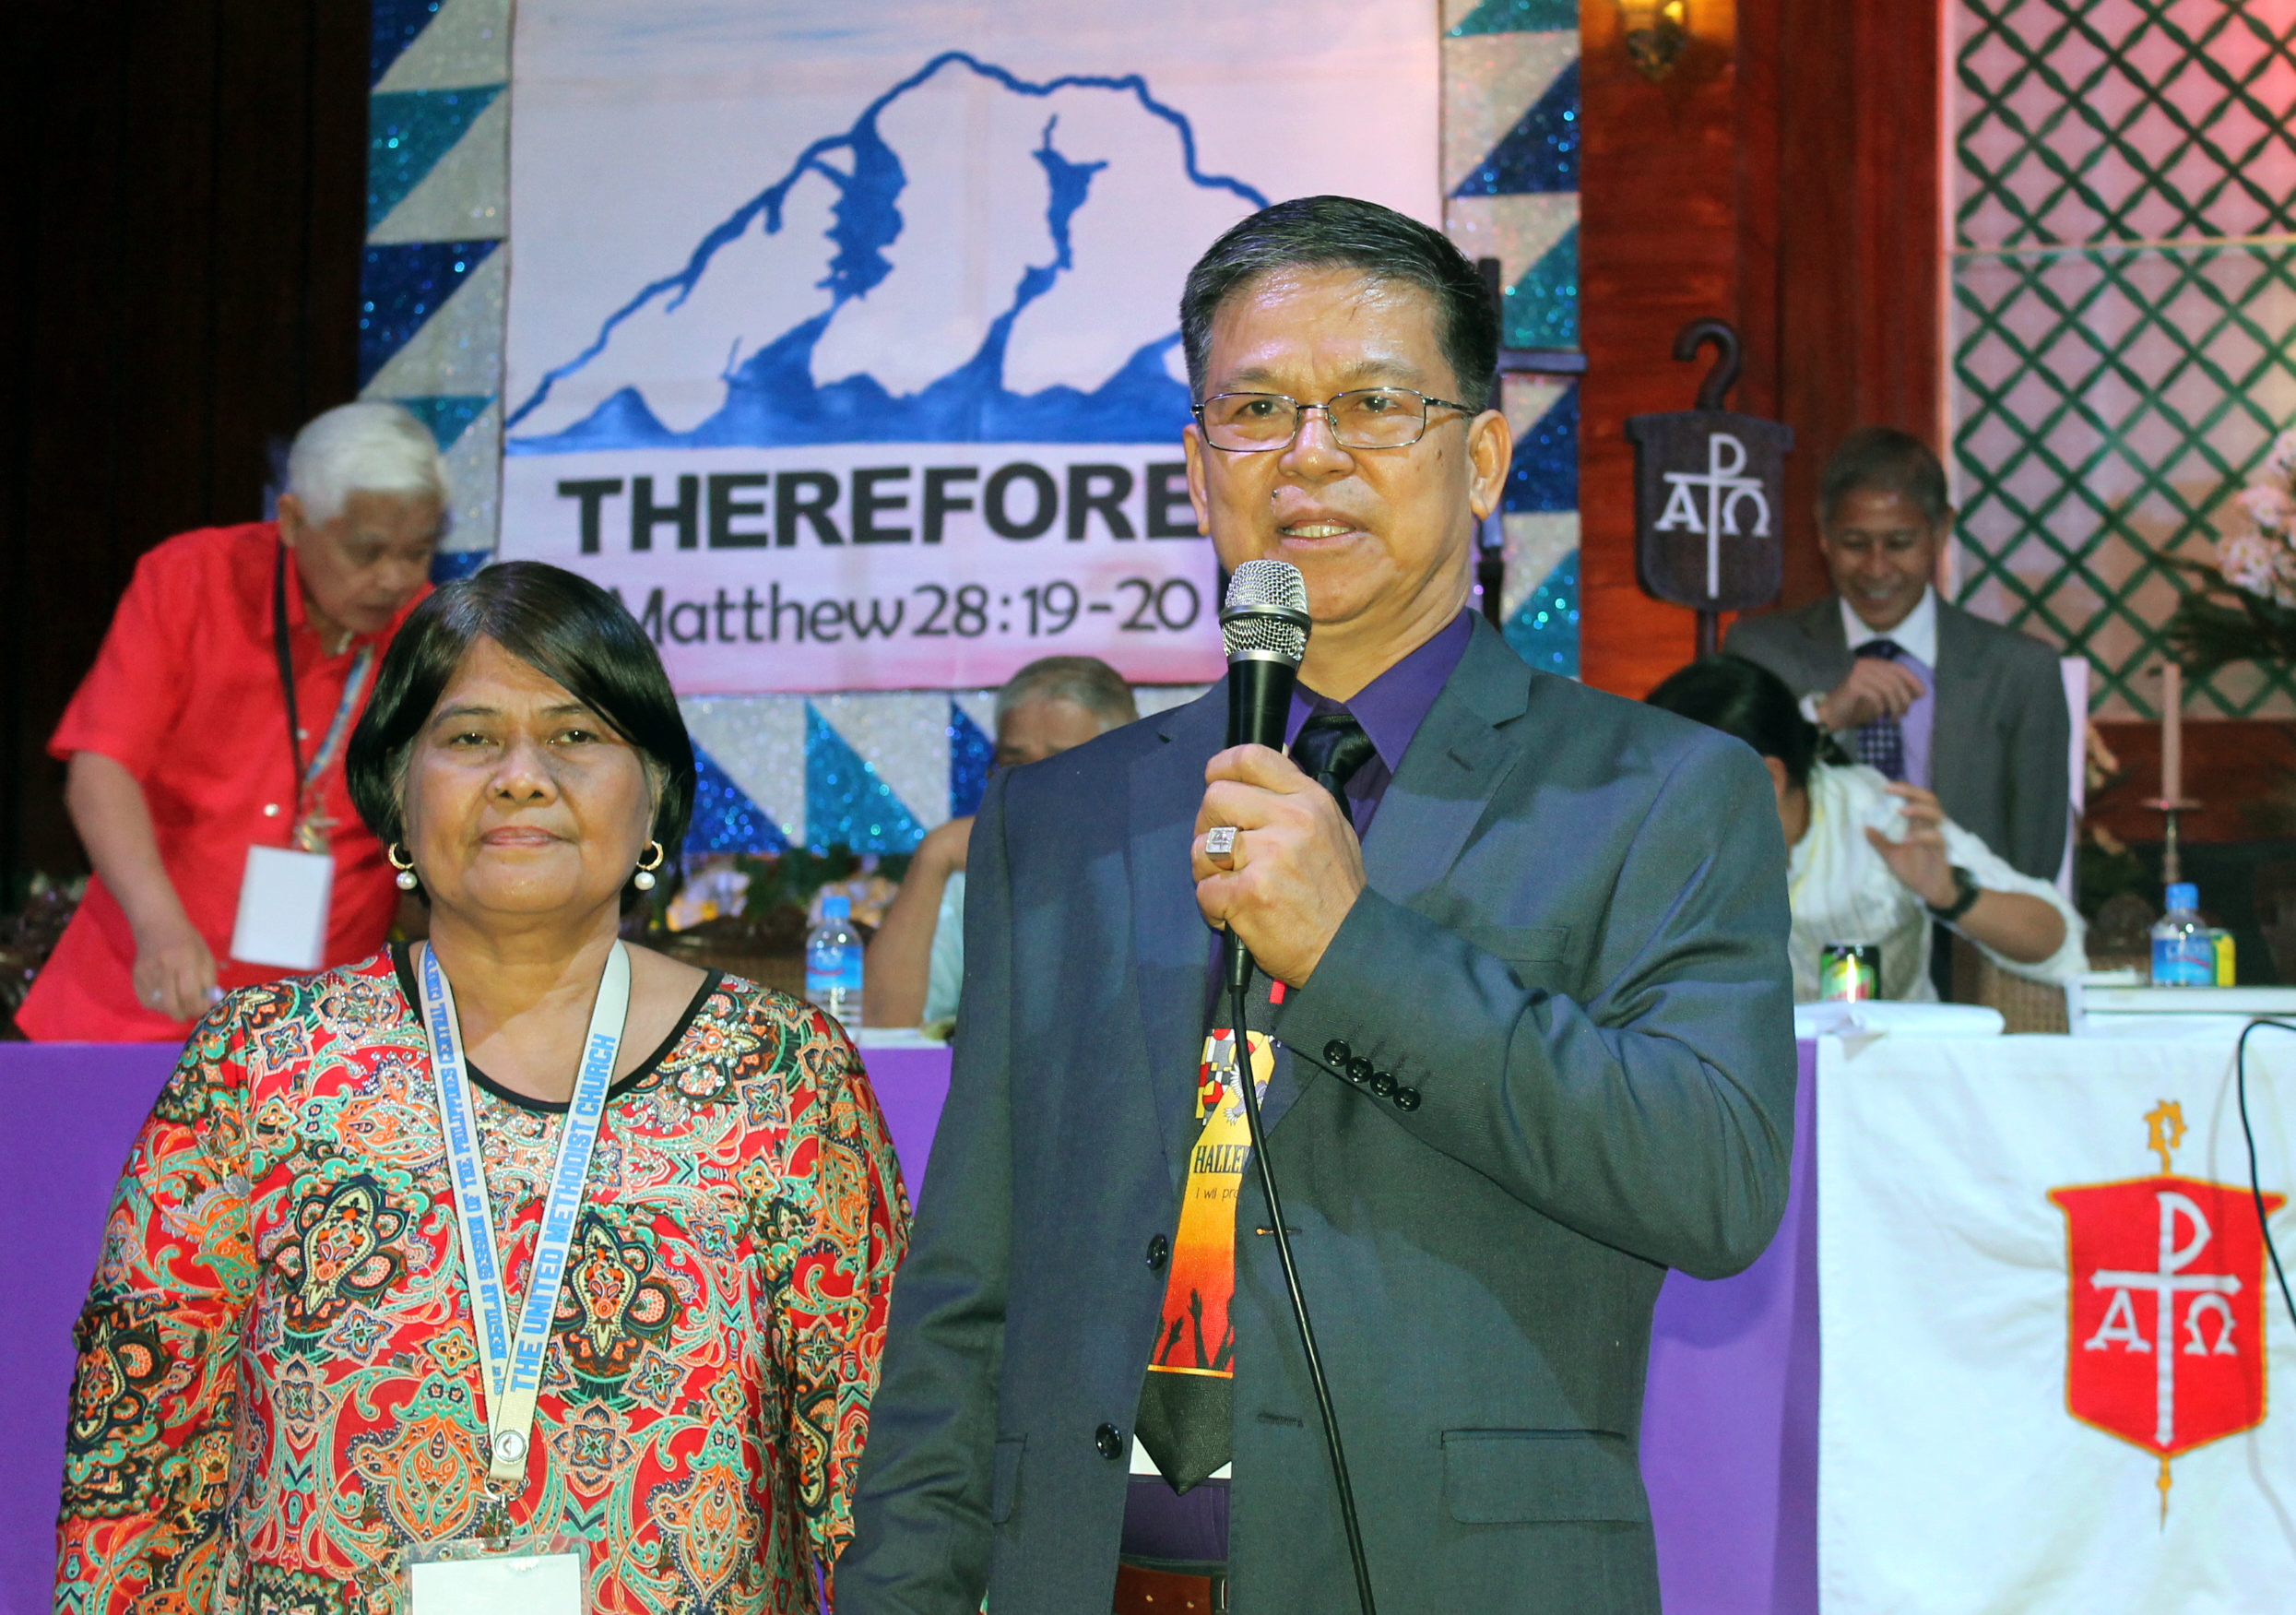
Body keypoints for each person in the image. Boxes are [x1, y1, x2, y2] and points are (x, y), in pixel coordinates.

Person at [840, 197, 1795, 1613]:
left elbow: (1711, 1179)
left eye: (1372, 402)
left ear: (1478, 456)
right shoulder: (1066, 816)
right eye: (1257, 407)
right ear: (1196, 460)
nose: (1309, 452)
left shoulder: (1657, 791)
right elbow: (967, 1282)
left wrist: (1355, 949)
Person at [55, 563, 907, 1609]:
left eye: (576, 735)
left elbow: (881, 1477)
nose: (521, 774)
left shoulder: (783, 1073)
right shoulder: (259, 1065)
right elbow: (134, 1472)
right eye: (468, 738)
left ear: (655, 794)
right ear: (396, 794)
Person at [19, 402, 445, 1042]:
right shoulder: (189, 580)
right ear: (295, 520)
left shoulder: (431, 630)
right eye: (368, 551)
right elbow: (100, 768)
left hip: (317, 1035)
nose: (395, 578)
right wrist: (159, 925)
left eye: (418, 552)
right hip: (138, 995)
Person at [1724, 426, 2071, 882]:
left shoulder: (2020, 671)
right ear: (1823, 534)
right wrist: (1821, 717)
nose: (1876, 567)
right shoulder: (1762, 652)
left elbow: (2033, 866)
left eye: (1900, 543)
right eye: (1854, 543)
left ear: (1942, 530)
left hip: (1962, 939)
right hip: (1806, 941)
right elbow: (1730, 817)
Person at [1646, 657, 2085, 1002]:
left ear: (1769, 779)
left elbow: (2056, 942)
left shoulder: (1879, 819)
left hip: (1887, 1088)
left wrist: (1952, 895)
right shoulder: (1656, 841)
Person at [865, 655, 1138, 1027]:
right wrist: (935, 855)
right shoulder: (969, 867)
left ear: (1124, 766)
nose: (1035, 788)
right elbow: (885, 1034)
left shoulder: (1173, 866)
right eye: (1016, 766)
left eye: (1063, 764)